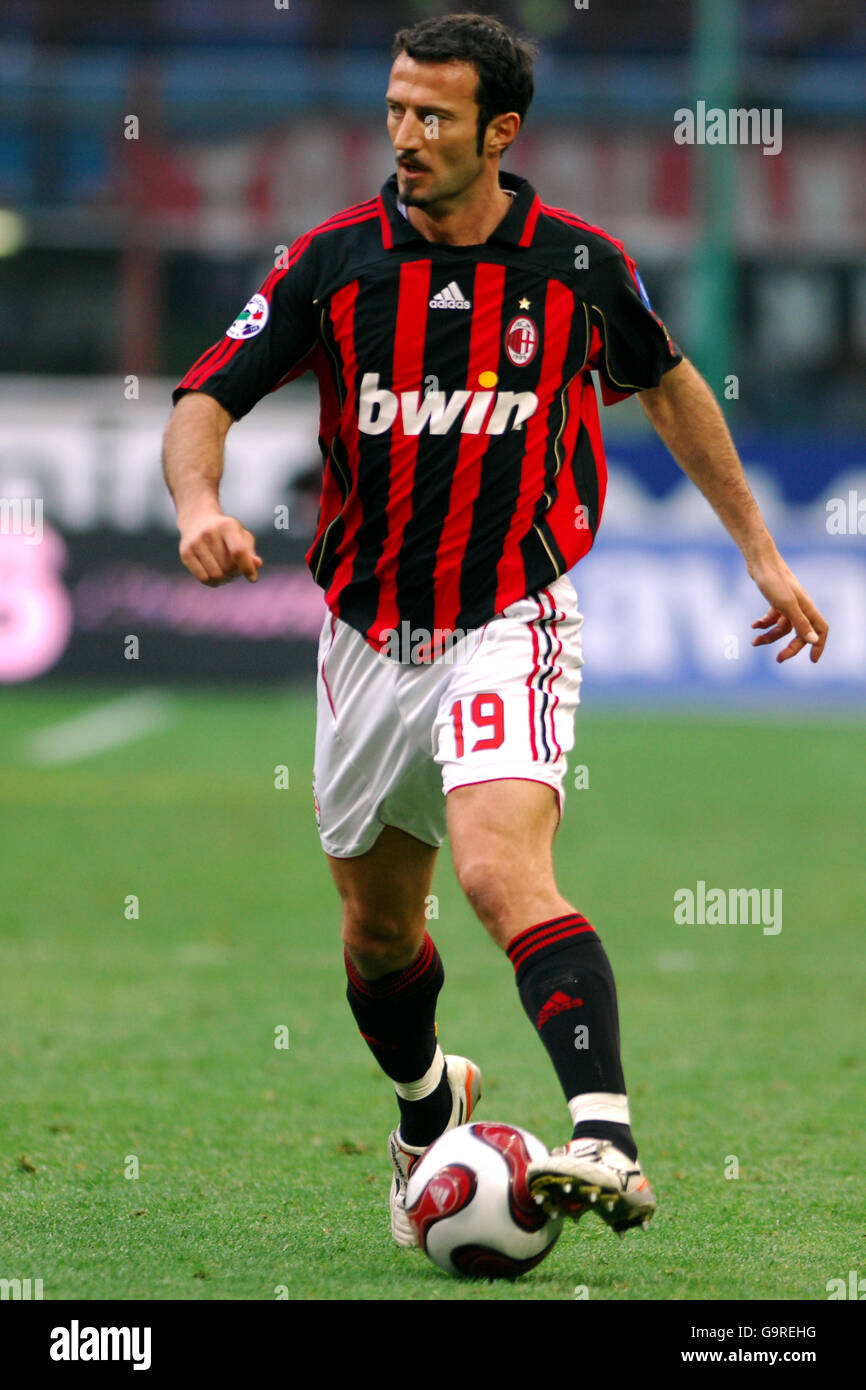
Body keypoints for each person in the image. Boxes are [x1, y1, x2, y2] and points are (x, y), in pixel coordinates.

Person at [162, 12, 828, 1249]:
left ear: (498, 132)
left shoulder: (575, 265)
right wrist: (199, 501)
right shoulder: (330, 261)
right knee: (373, 931)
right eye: (396, 111)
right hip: (363, 635)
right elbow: (208, 391)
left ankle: (604, 1135)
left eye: (434, 118)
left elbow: (672, 382)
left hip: (507, 616)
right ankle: (431, 1099)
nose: (404, 138)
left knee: (495, 871)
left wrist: (758, 549)